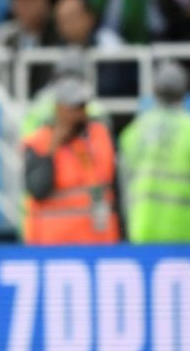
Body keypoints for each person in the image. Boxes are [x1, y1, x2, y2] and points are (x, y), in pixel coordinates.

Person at [23, 76, 120, 244]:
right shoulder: (40, 142)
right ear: (60, 109)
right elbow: (38, 189)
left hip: (98, 243)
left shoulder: (100, 135)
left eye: (83, 106)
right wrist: (52, 149)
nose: (81, 112)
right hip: (54, 245)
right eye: (75, 107)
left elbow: (113, 190)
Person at [118, 61, 190, 242]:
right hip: (186, 231)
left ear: (154, 90)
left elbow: (122, 185)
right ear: (184, 91)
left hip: (142, 227)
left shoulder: (133, 132)